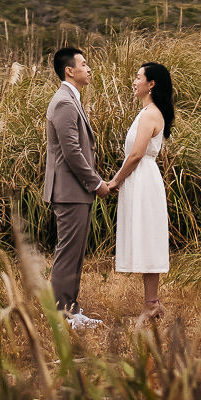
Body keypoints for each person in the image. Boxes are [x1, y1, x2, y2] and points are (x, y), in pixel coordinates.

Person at [43, 46, 109, 325]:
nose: (89, 68)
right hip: (70, 192)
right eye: (84, 64)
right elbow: (71, 151)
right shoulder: (64, 103)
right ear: (69, 70)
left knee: (74, 253)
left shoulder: (72, 99)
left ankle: (72, 310)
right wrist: (96, 183)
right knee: (68, 253)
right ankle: (62, 314)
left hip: (75, 192)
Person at [107, 61, 173, 321]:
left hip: (142, 179)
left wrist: (115, 181)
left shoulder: (150, 114)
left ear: (151, 84)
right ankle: (152, 302)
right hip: (140, 179)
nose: (134, 82)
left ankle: (151, 303)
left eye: (138, 77)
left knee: (149, 237)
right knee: (146, 236)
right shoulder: (148, 112)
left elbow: (136, 154)